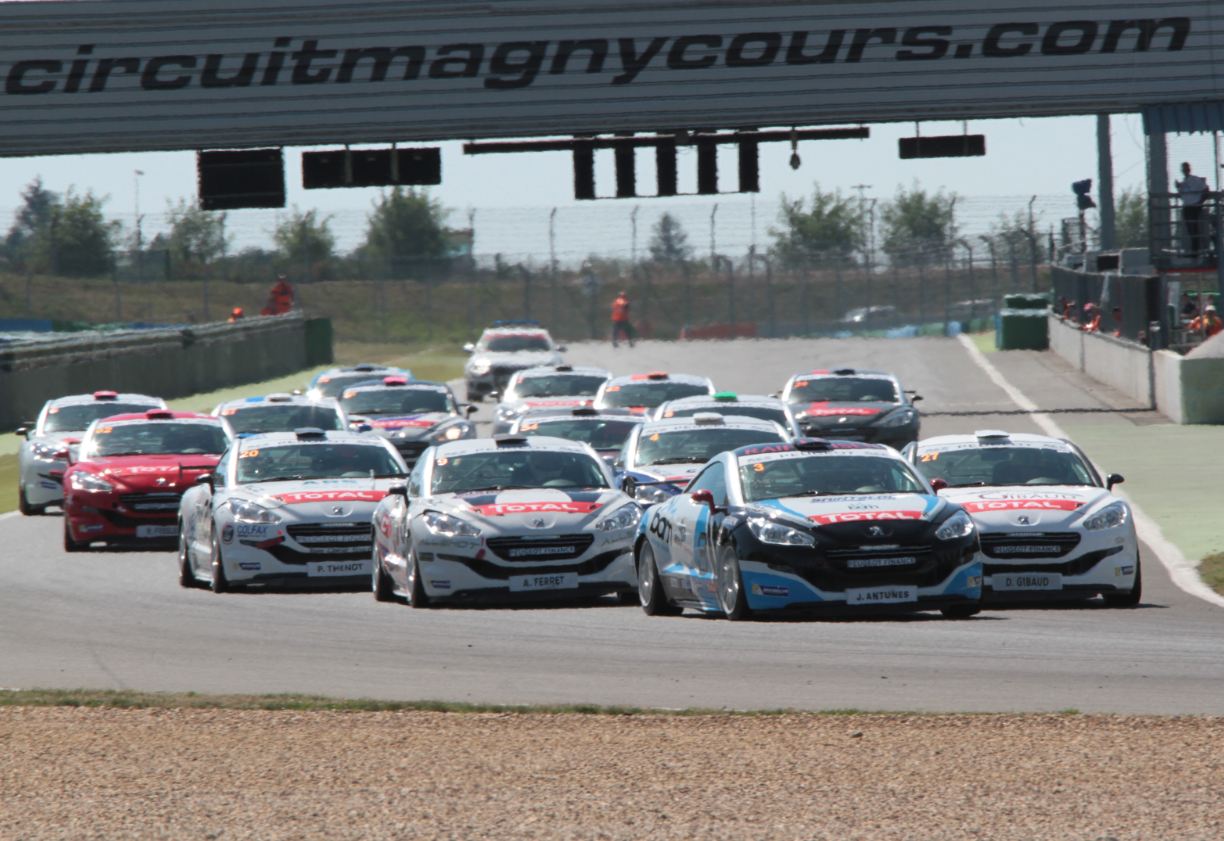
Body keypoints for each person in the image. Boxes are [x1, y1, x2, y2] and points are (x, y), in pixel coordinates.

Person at [1175, 162, 1210, 259]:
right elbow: (1183, 196)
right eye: (1184, 169)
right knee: (1190, 229)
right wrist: (1178, 187)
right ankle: (1194, 250)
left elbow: (1206, 190)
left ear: (1189, 169)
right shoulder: (1184, 183)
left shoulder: (1195, 179)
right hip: (1187, 206)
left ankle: (1196, 251)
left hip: (1194, 206)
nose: (1185, 171)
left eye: (1186, 169)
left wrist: (1200, 202)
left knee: (1194, 228)